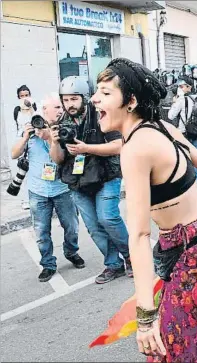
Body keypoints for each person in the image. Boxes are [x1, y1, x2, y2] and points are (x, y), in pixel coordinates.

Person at [91, 58, 197, 361]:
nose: (95, 99)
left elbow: (141, 234)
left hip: (190, 262)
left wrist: (145, 319)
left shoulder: (136, 148)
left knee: (177, 349)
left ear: (130, 101)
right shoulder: (161, 128)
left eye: (105, 93)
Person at [49, 76, 131, 284]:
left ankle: (132, 257)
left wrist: (87, 149)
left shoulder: (101, 115)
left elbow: (119, 145)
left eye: (74, 99)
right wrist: (54, 141)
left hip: (106, 176)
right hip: (78, 183)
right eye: (66, 100)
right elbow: (58, 160)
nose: (70, 105)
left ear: (84, 97)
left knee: (108, 218)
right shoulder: (62, 124)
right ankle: (113, 264)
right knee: (94, 227)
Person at [11, 93, 84, 282]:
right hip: (38, 191)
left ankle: (71, 252)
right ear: (44, 111)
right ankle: (48, 264)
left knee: (71, 227)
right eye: (57, 107)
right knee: (41, 232)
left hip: (62, 189)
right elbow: (14, 154)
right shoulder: (32, 127)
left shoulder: (66, 129)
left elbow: (58, 159)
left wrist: (50, 139)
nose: (61, 110)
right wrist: (27, 135)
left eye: (61, 107)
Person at [168, 75, 197, 183]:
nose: (179, 88)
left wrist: (174, 103)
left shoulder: (181, 99)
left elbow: (170, 115)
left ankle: (191, 189)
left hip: (184, 133)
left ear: (187, 87)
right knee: (196, 162)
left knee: (186, 163)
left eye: (181, 86)